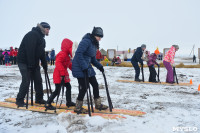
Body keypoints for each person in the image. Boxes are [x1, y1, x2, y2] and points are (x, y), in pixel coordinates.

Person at [72, 27, 108, 113]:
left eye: (101, 37)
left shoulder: (94, 44)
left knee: (95, 84)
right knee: (85, 86)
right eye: (98, 36)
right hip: (79, 66)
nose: (100, 38)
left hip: (87, 66)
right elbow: (78, 53)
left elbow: (93, 59)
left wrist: (100, 66)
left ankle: (98, 104)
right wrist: (84, 66)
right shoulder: (86, 41)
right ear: (94, 35)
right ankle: (78, 107)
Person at [16, 22, 50, 107]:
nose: (48, 31)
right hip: (24, 61)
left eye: (49, 29)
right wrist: (30, 64)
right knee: (26, 80)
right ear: (42, 28)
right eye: (47, 29)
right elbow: (30, 50)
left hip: (34, 62)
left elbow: (42, 53)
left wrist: (44, 64)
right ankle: (19, 100)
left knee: (38, 80)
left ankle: (39, 99)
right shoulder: (32, 35)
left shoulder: (42, 39)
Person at [45, 38, 75, 110]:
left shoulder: (67, 56)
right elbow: (58, 63)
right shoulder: (61, 54)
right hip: (59, 74)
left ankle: (69, 102)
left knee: (68, 87)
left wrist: (75, 70)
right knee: (57, 90)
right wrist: (62, 73)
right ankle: (48, 103)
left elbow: (69, 65)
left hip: (64, 74)